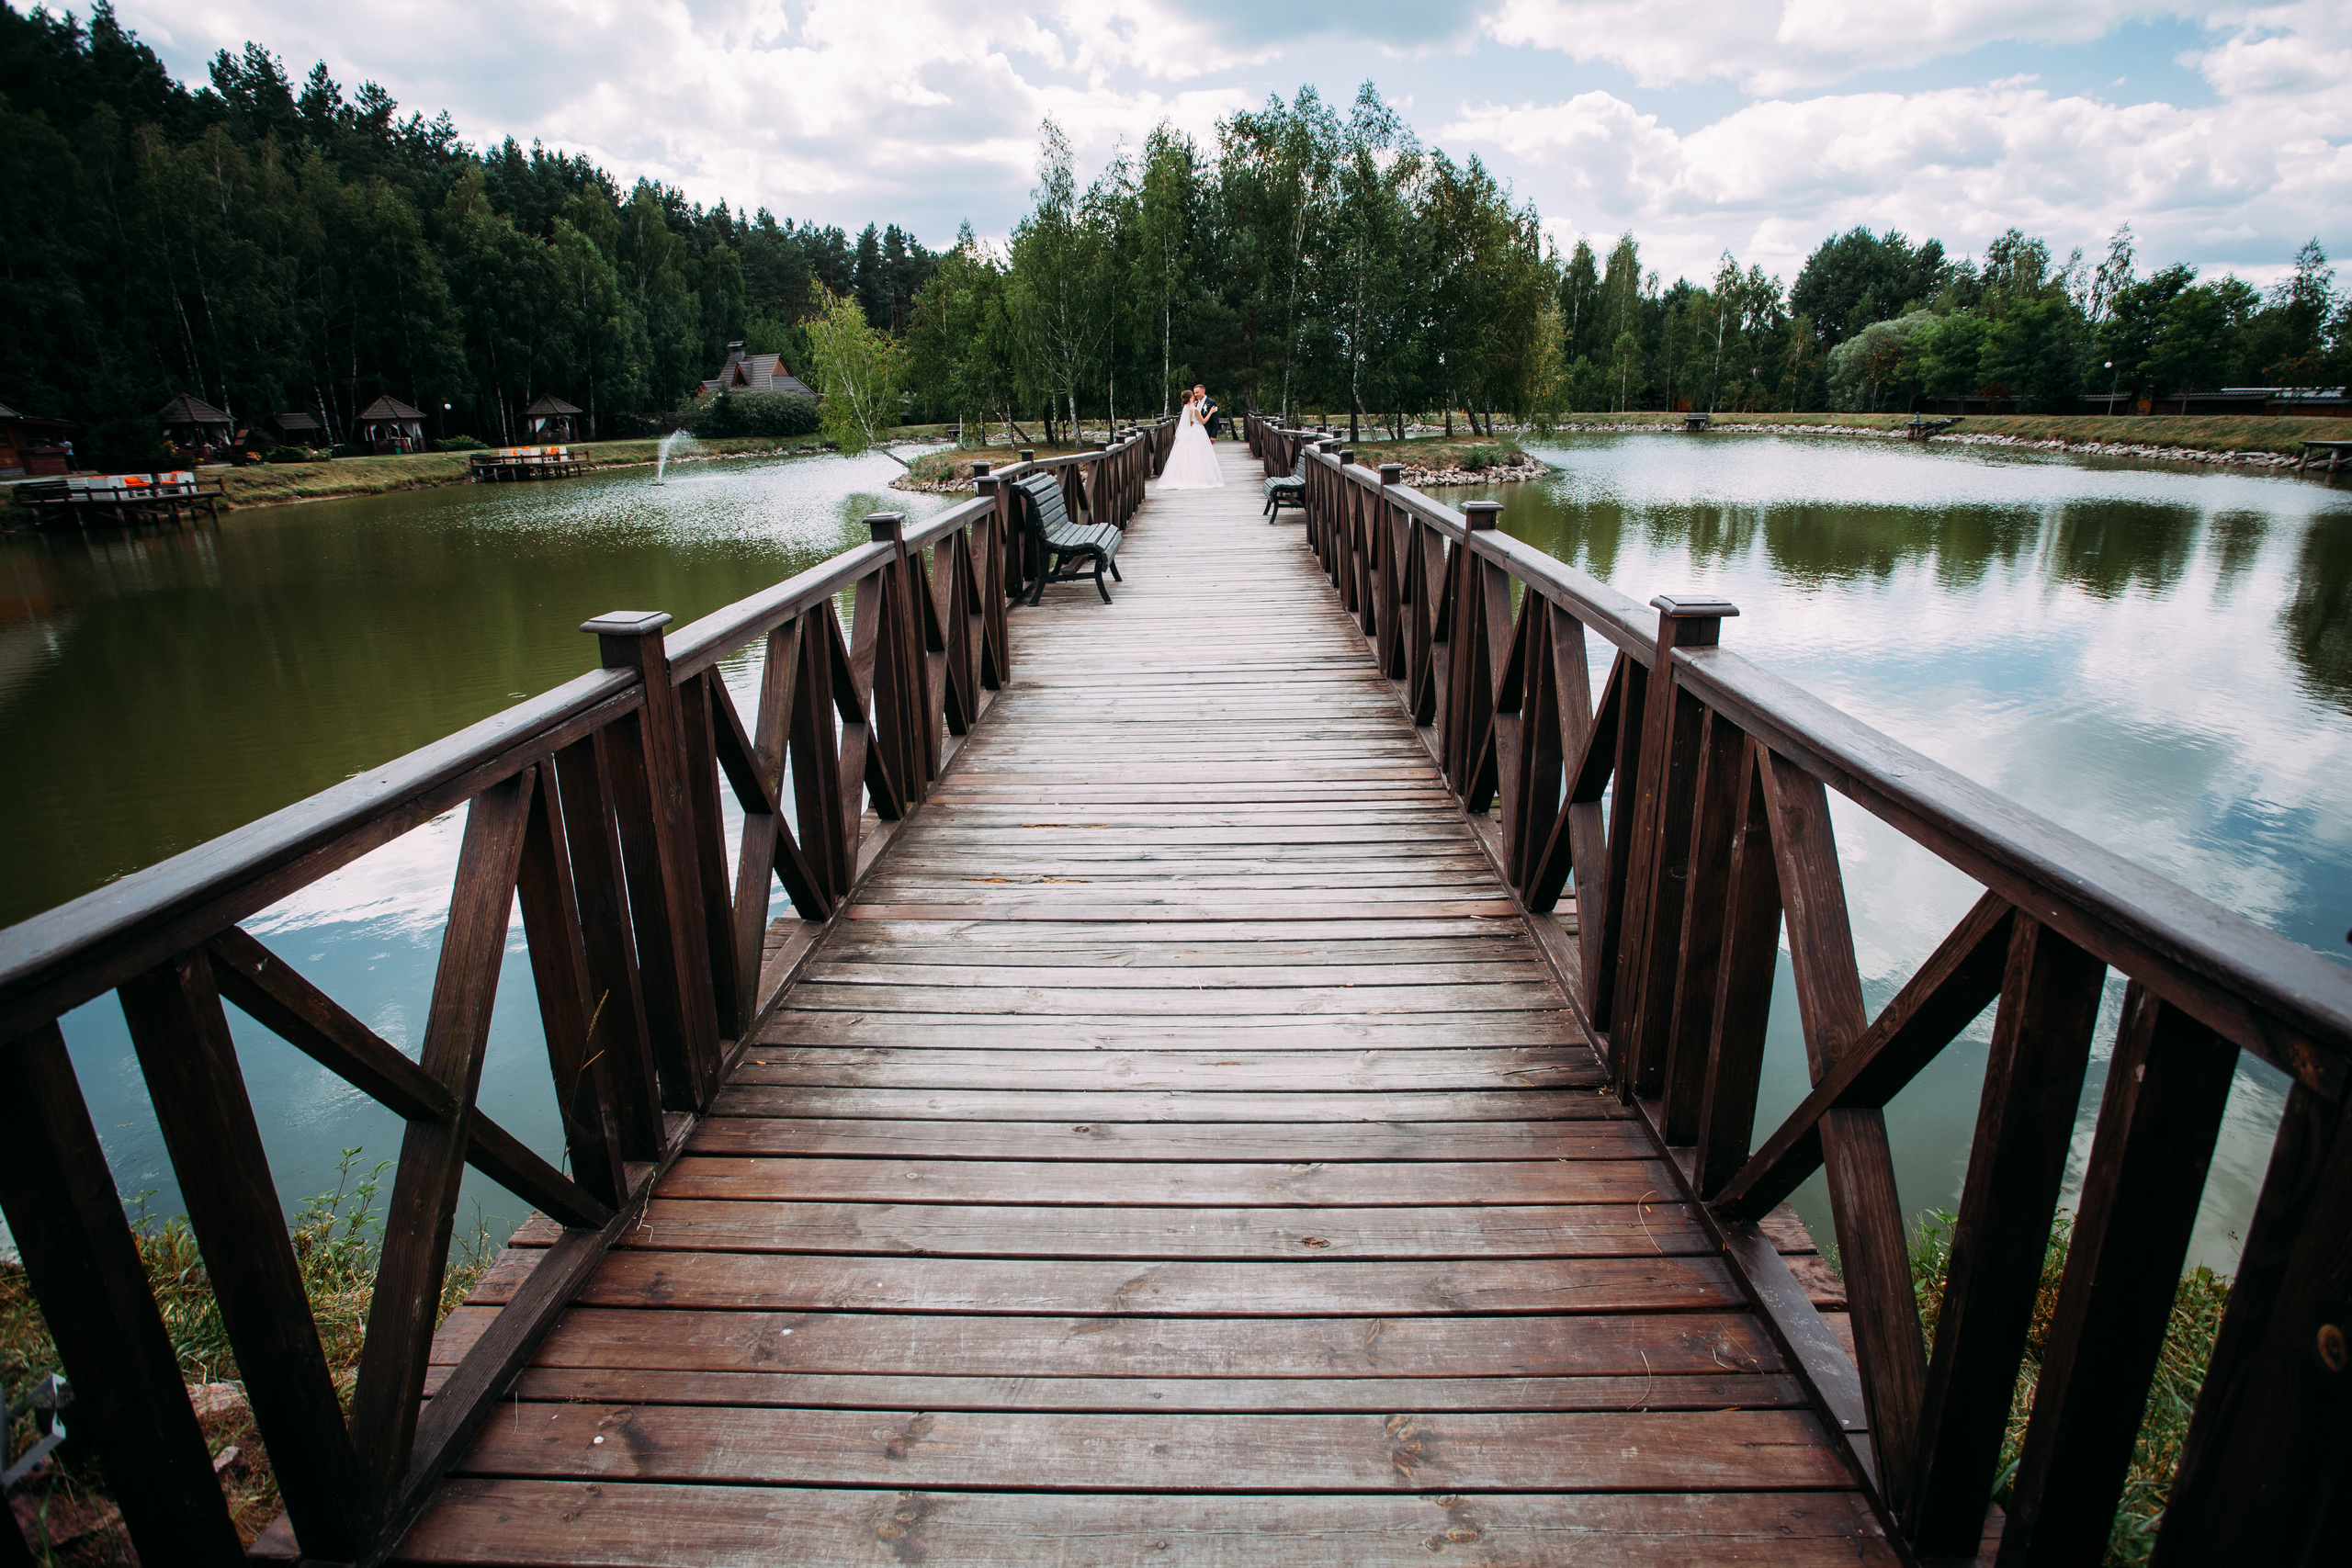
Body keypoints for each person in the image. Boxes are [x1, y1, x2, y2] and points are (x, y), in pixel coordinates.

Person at [1159, 387, 1224, 490]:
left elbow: (1189, 422)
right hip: (1198, 432)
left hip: (1190, 433)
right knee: (1199, 455)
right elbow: (1203, 421)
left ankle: (1184, 477)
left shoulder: (1186, 409)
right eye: (1194, 394)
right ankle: (1198, 477)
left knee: (1188, 455)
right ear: (1191, 397)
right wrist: (1211, 411)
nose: (1195, 395)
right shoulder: (1194, 408)